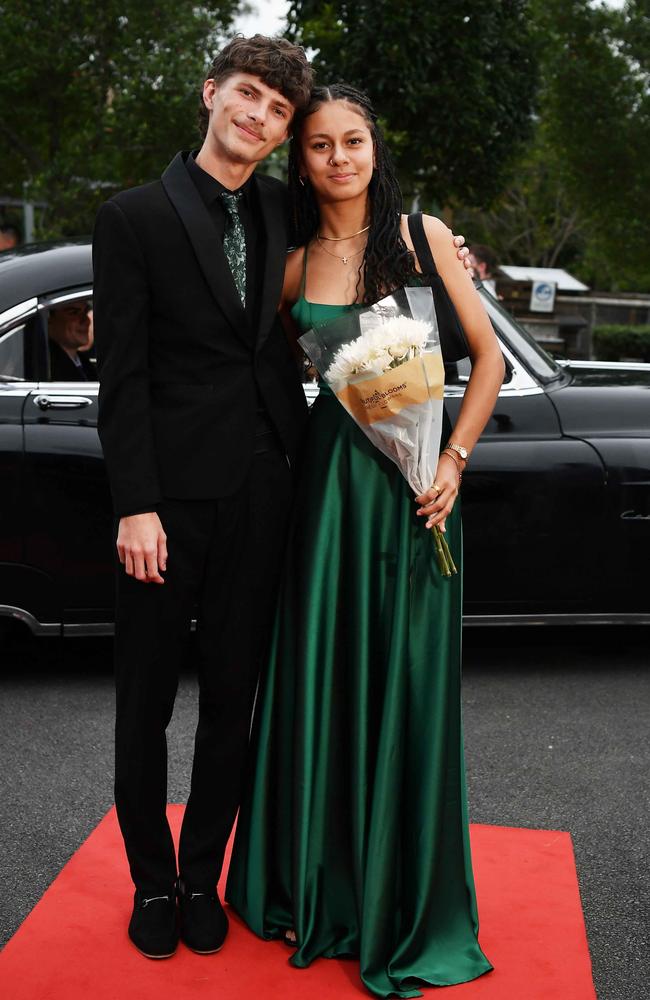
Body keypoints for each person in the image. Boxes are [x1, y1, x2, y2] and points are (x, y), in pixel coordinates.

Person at [93, 35, 470, 964]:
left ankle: (202, 879)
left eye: (276, 111)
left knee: (235, 702)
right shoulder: (132, 216)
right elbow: (124, 378)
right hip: (167, 507)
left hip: (271, 495)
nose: (259, 118)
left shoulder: (283, 214)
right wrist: (135, 504)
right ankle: (150, 882)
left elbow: (366, 261)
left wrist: (449, 250)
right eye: (249, 97)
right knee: (145, 703)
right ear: (212, 93)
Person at [226, 84, 504, 999]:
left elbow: (487, 354)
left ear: (375, 149)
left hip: (418, 492)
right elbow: (257, 373)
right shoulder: (293, 266)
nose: (339, 157)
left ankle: (401, 899)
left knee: (406, 690)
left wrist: (454, 462)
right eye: (317, 145)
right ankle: (319, 887)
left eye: (353, 141)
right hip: (328, 499)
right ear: (297, 161)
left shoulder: (424, 239)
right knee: (323, 680)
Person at [47, 302, 95, 381]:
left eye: (86, 312)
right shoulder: (47, 366)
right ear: (49, 319)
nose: (86, 321)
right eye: (74, 312)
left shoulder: (85, 363)